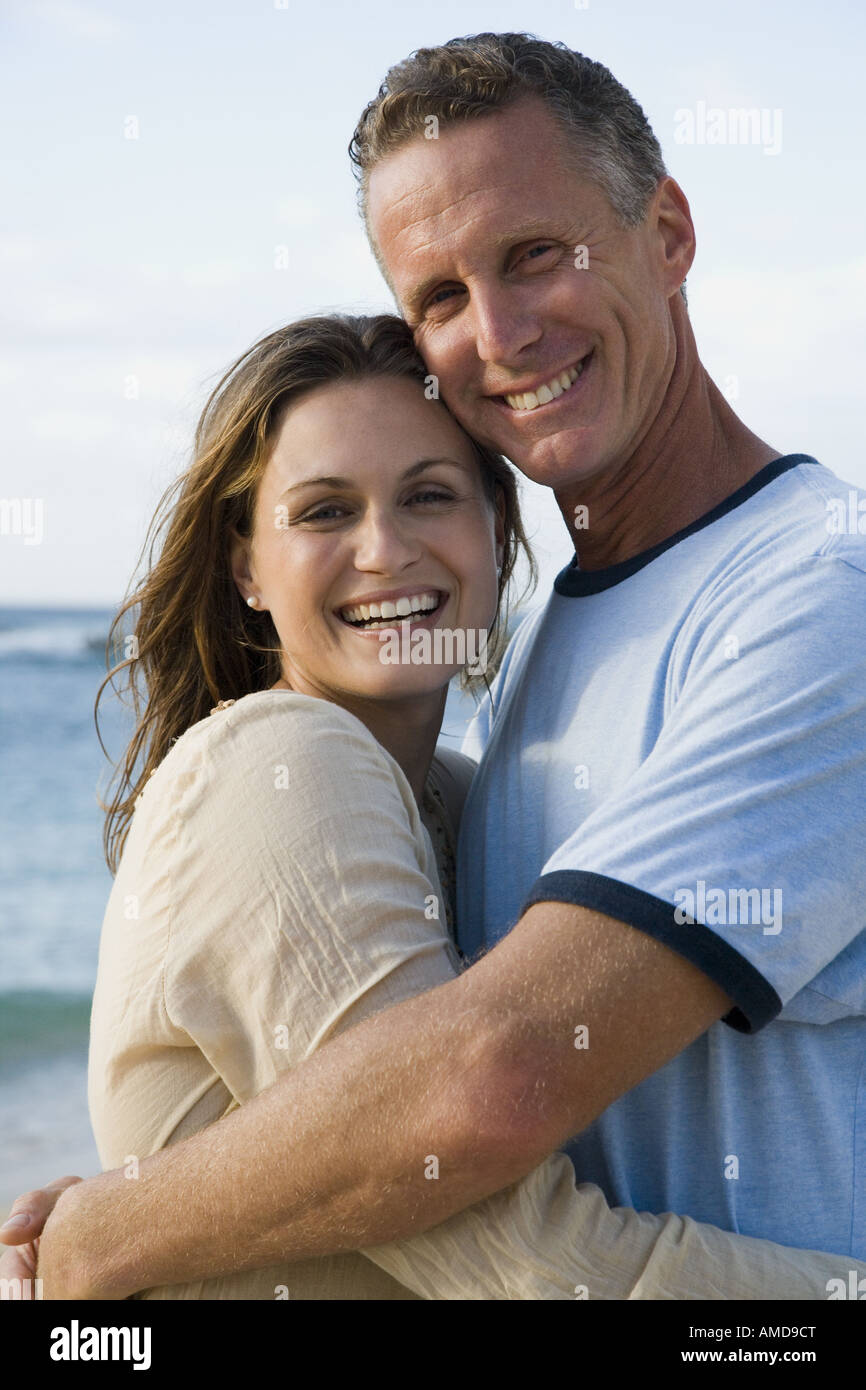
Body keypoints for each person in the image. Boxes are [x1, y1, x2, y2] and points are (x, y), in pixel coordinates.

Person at [3, 33, 865, 1296]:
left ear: (667, 230)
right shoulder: (527, 662)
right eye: (440, 297)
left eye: (533, 255)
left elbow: (487, 1081)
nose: (500, 333)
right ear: (245, 563)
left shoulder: (812, 594)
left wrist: (111, 1231)